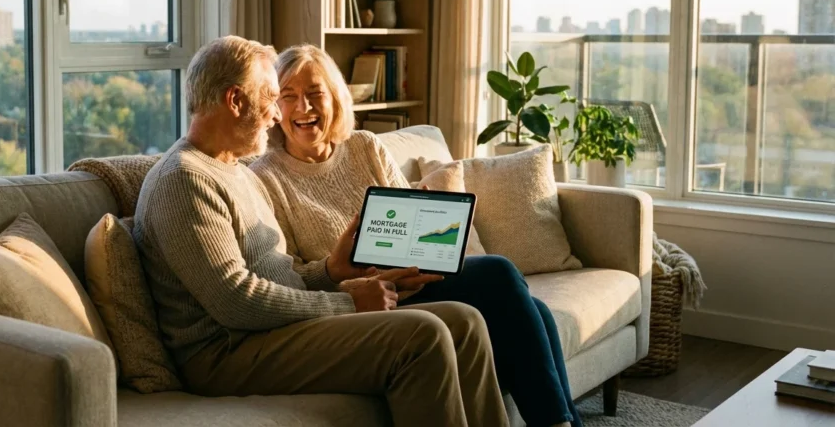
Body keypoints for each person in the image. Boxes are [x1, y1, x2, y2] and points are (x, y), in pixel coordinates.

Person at [133, 36, 509, 427]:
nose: (277, 116)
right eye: (271, 98)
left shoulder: (235, 170)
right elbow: (237, 301)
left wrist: (331, 272)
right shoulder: (183, 180)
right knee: (423, 335)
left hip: (268, 332)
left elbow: (276, 275)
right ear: (235, 101)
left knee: (464, 322)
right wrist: (348, 302)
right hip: (227, 353)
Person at [250, 44, 582, 427]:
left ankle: (562, 422)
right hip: (363, 304)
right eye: (288, 97)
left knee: (535, 311)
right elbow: (290, 276)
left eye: (314, 94)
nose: (303, 108)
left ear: (335, 98)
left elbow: (410, 228)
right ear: (275, 108)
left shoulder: (364, 146)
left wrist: (424, 218)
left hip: (416, 278)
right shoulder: (265, 177)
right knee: (501, 275)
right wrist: (365, 278)